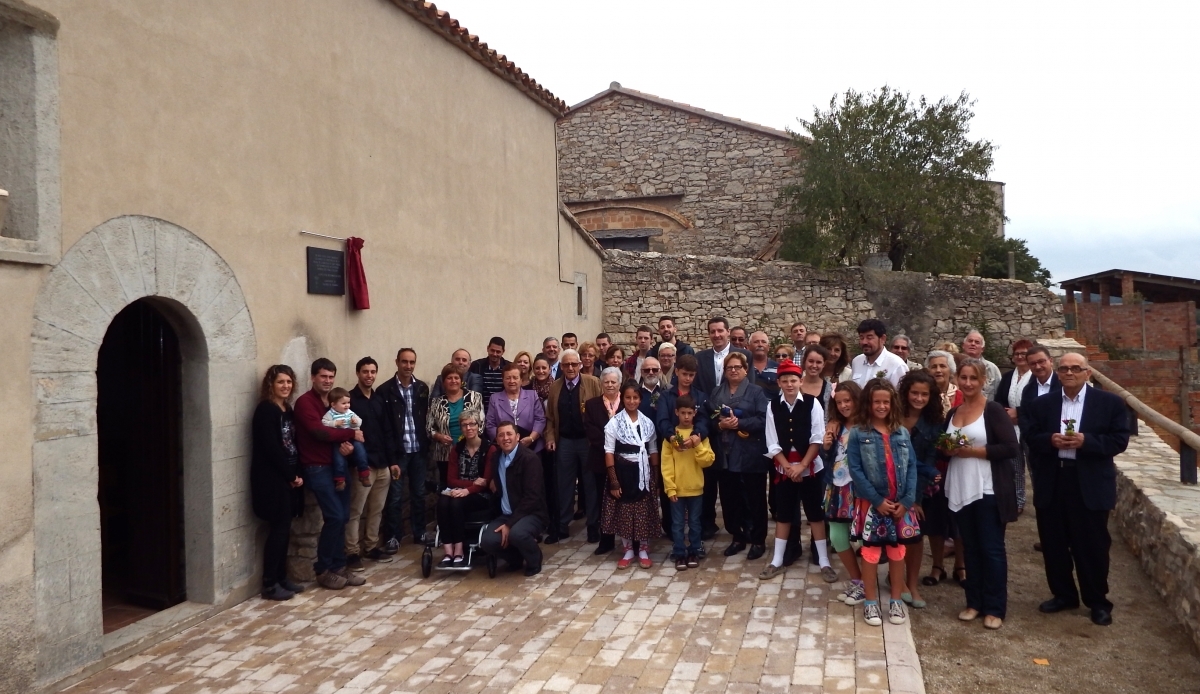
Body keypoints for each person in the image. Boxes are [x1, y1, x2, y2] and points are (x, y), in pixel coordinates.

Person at [1027, 352, 1130, 627]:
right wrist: (1050, 440)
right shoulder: (1042, 404)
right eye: (1064, 368)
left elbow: (1119, 440)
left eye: (1076, 368)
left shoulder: (1110, 403)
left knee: (1092, 546)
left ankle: (1097, 601)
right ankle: (1063, 594)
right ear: (1057, 373)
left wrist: (1088, 442)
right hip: (1054, 479)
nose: (1069, 372)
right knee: (1054, 542)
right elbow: (1030, 437)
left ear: (1088, 373)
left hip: (1090, 482)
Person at [944, 357, 1019, 630]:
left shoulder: (993, 410)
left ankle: (995, 607)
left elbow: (1011, 447)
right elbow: (945, 445)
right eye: (963, 377)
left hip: (987, 488)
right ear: (956, 380)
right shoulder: (953, 413)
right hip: (962, 486)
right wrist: (948, 449)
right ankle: (973, 602)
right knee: (971, 548)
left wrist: (973, 451)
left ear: (983, 381)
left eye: (973, 378)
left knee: (992, 549)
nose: (967, 383)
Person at [846, 379, 921, 627]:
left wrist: (908, 499)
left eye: (885, 402)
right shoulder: (858, 433)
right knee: (870, 552)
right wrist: (877, 500)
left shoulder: (901, 432)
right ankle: (870, 602)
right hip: (873, 504)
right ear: (868, 403)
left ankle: (896, 600)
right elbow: (855, 470)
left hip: (900, 504)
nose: (881, 406)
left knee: (898, 551)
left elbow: (911, 466)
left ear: (892, 404)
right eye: (876, 401)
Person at [294, 358, 365, 589]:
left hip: (339, 467)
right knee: (334, 516)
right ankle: (323, 570)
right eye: (323, 376)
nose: (327, 380)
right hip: (317, 467)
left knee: (343, 517)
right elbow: (319, 433)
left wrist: (349, 445)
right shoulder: (305, 403)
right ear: (313, 377)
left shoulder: (334, 402)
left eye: (331, 376)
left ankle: (338, 567)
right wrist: (349, 436)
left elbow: (345, 429)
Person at [759, 360, 828, 581]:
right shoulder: (773, 406)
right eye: (785, 381)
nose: (790, 385)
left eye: (793, 380)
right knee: (784, 514)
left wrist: (803, 466)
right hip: (785, 468)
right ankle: (777, 560)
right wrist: (788, 467)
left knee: (815, 514)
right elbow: (772, 441)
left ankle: (824, 561)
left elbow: (817, 438)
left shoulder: (812, 403)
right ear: (778, 382)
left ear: (800, 381)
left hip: (809, 467)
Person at [695, 317, 752, 541]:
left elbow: (750, 390)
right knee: (710, 478)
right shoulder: (701, 358)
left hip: (739, 428)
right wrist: (716, 423)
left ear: (728, 332)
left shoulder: (743, 356)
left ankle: (744, 525)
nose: (717, 335)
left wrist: (738, 420)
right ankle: (708, 524)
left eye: (720, 331)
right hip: (714, 427)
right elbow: (701, 395)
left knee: (738, 482)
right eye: (712, 331)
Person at [251, 365, 306, 600]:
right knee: (278, 530)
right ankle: (270, 584)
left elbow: (293, 442)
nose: (286, 386)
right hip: (272, 480)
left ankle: (282, 578)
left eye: (289, 382)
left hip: (289, 478)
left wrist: (296, 474)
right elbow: (272, 448)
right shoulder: (266, 410)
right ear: (270, 385)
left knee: (285, 530)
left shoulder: (287, 409)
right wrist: (290, 476)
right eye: (280, 382)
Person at [709, 352, 770, 559]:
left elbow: (763, 420)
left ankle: (758, 539)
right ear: (724, 371)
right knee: (729, 499)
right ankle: (737, 536)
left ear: (746, 370)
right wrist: (719, 425)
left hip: (750, 455)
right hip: (725, 455)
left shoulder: (756, 392)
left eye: (737, 367)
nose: (733, 370)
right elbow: (709, 419)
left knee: (754, 499)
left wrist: (739, 424)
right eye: (729, 368)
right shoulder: (717, 393)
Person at [602, 380, 662, 569]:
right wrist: (613, 481)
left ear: (640, 399)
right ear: (623, 398)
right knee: (625, 511)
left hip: (643, 473)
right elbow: (609, 452)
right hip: (622, 471)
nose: (631, 401)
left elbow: (653, 451)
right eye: (628, 397)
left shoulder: (647, 423)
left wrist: (655, 479)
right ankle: (628, 549)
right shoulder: (614, 423)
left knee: (643, 510)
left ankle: (643, 549)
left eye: (635, 397)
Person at [346, 357, 399, 570]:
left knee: (376, 509)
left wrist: (392, 461)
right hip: (363, 465)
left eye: (373, 372)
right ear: (358, 373)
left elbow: (387, 431)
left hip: (382, 464)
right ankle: (351, 551)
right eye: (365, 371)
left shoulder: (379, 399)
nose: (369, 375)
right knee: (355, 510)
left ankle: (371, 546)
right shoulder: (350, 400)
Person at [544, 349, 602, 541]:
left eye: (573, 364)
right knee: (564, 484)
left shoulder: (592, 383)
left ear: (580, 365)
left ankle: (593, 525)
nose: (570, 368)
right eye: (566, 365)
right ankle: (562, 525)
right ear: (561, 367)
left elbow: (601, 411)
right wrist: (550, 437)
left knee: (590, 484)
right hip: (566, 442)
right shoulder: (555, 387)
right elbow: (550, 418)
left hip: (587, 442)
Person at [898, 370, 944, 610]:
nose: (918, 398)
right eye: (914, 393)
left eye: (924, 394)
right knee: (894, 535)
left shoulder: (934, 422)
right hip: (891, 482)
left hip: (920, 487)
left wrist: (914, 499)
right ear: (906, 393)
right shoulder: (893, 416)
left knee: (915, 535)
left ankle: (911, 582)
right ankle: (897, 579)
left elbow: (929, 459)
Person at [377, 348, 431, 550]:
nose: (408, 366)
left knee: (418, 493)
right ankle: (393, 536)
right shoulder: (385, 390)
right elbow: (386, 427)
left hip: (418, 450)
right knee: (396, 496)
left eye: (412, 362)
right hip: (399, 453)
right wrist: (391, 456)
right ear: (397, 362)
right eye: (404, 362)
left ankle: (419, 532)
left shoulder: (422, 388)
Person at [480, 422, 549, 576]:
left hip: (532, 514)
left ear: (518, 437)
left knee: (517, 534)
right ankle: (516, 559)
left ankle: (534, 559)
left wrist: (509, 524)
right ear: (496, 439)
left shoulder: (529, 459)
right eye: (501, 435)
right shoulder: (496, 458)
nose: (506, 438)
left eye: (509, 434)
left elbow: (532, 497)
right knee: (487, 541)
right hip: (506, 514)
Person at [822, 381, 865, 605]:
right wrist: (826, 447)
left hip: (861, 490)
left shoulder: (868, 426)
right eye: (839, 402)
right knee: (838, 537)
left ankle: (868, 583)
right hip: (837, 487)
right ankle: (858, 581)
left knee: (867, 539)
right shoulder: (835, 426)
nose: (844, 405)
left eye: (848, 400)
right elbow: (828, 459)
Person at [661, 395, 715, 570]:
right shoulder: (671, 438)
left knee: (694, 522)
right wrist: (670, 488)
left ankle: (694, 549)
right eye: (683, 413)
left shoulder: (699, 436)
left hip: (696, 488)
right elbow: (666, 465)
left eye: (689, 413)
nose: (686, 417)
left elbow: (708, 460)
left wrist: (697, 445)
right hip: (677, 489)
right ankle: (678, 551)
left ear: (695, 413)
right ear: (676, 412)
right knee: (676, 524)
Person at [436, 414, 494, 567]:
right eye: (464, 425)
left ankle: (459, 550)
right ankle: (448, 551)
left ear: (478, 426)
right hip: (458, 490)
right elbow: (451, 479)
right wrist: (471, 483)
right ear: (461, 428)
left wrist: (469, 490)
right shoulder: (457, 449)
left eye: (472, 424)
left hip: (480, 494)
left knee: (456, 504)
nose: (469, 428)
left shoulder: (489, 448)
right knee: (442, 502)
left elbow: (486, 482)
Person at [427, 363, 485, 490]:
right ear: (443, 382)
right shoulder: (436, 403)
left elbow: (481, 425)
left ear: (462, 380)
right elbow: (429, 428)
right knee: (447, 487)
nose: (453, 380)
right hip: (444, 453)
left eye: (456, 378)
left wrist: (468, 439)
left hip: (471, 452)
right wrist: (438, 436)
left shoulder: (475, 397)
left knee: (470, 487)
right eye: (449, 378)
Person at [584, 367, 624, 553]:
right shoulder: (592, 405)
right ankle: (606, 540)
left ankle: (628, 541)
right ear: (601, 384)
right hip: (600, 460)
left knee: (626, 500)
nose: (609, 385)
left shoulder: (628, 401)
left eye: (613, 382)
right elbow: (592, 432)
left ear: (619, 384)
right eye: (606, 382)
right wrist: (610, 447)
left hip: (625, 460)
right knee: (604, 501)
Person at [994, 339, 1034, 512]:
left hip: (1031, 429)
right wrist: (1005, 414)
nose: (1020, 356)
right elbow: (999, 399)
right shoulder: (1008, 377)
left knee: (1034, 468)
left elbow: (1039, 402)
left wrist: (1019, 412)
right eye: (1017, 353)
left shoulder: (1036, 377)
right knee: (1015, 468)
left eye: (1024, 353)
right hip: (1011, 429)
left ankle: (1041, 501)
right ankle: (1018, 501)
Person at [486, 364, 545, 453]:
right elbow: (490, 424)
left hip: (531, 447)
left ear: (521, 380)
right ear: (503, 380)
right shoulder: (494, 398)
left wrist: (531, 438)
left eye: (515, 377)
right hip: (504, 448)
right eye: (508, 378)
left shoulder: (532, 395)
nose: (511, 381)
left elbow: (540, 419)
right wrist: (503, 440)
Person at [322, 387, 367, 490]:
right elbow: (323, 423)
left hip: (353, 438)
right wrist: (334, 423)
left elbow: (360, 421)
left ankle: (364, 472)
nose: (347, 405)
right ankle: (340, 480)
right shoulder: (330, 414)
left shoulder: (349, 412)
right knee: (338, 459)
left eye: (348, 403)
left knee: (361, 451)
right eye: (343, 403)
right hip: (338, 440)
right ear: (333, 404)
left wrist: (355, 422)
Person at [850, 319, 908, 388]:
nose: (864, 342)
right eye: (861, 338)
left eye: (869, 338)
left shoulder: (897, 365)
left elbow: (901, 396)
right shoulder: (856, 361)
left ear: (882, 339)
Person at [469, 338, 509, 413]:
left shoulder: (509, 367)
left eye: (498, 351)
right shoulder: (477, 365)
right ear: (487, 348)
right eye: (492, 350)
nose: (494, 354)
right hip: (480, 411)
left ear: (503, 352)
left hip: (503, 412)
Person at [962, 330, 1002, 400]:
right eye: (970, 341)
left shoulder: (992, 369)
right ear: (963, 345)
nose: (973, 344)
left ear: (982, 349)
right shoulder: (954, 366)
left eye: (977, 342)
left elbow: (999, 395)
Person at [925, 350, 962, 416]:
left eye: (942, 366)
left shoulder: (962, 396)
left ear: (951, 370)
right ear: (928, 371)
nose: (938, 370)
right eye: (934, 367)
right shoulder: (924, 395)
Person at [749, 331, 779, 397]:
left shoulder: (778, 368)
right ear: (749, 347)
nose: (760, 345)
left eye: (763, 342)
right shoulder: (744, 367)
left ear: (768, 347)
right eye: (756, 342)